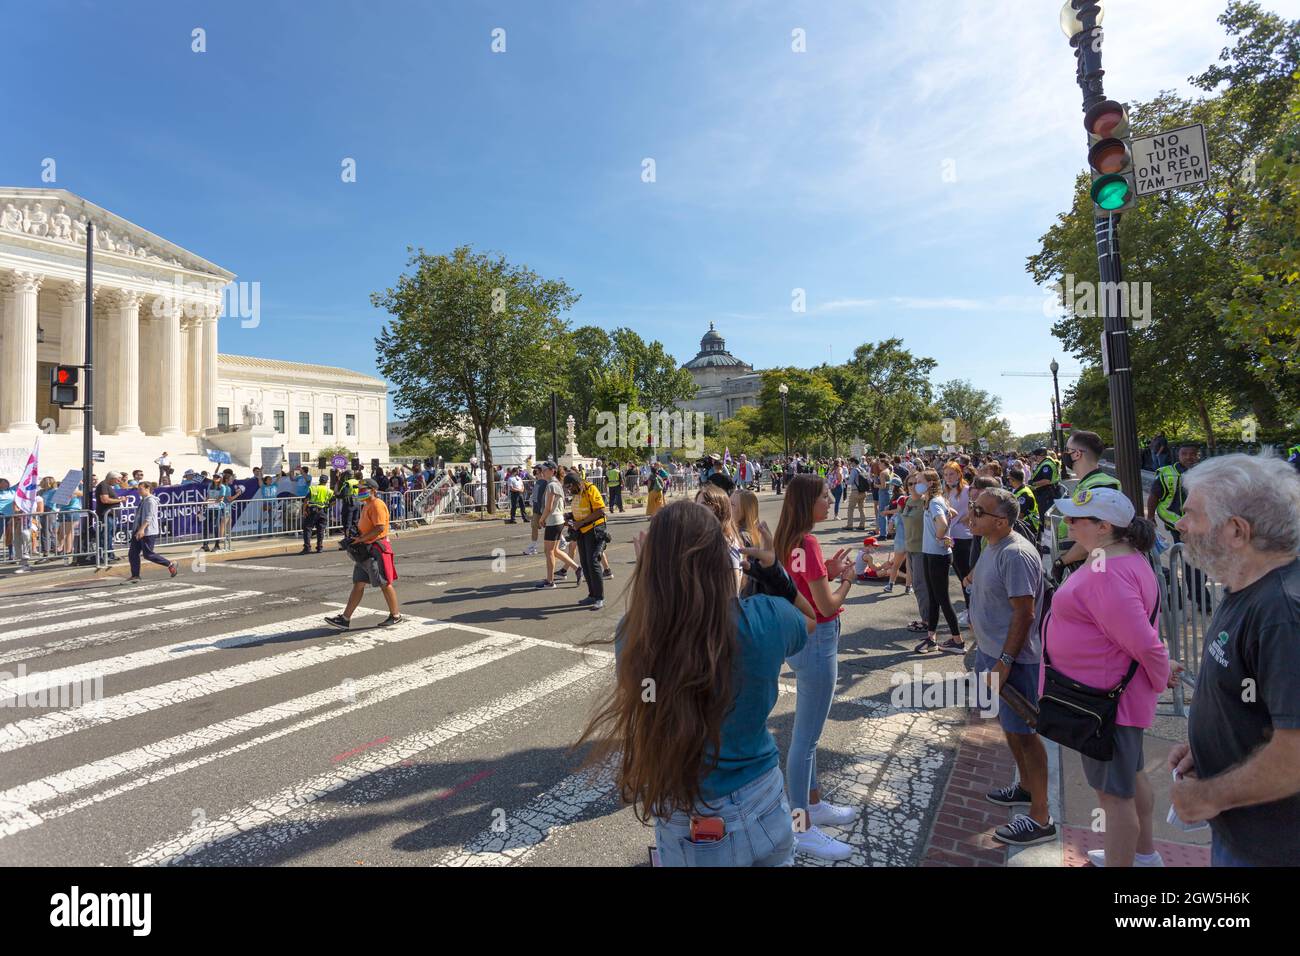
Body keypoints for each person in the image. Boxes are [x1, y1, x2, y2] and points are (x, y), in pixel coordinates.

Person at [576, 501, 812, 866]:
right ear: (721, 557)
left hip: (684, 808)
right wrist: (772, 569)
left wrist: (650, 578)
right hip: (759, 797)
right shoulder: (766, 618)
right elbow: (811, 618)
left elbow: (643, 690)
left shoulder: (635, 636)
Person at [1168, 454, 1300, 867]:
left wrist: (1207, 795)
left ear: (1237, 531)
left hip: (1271, 851)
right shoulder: (1246, 585)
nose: (1179, 524)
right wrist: (1209, 747)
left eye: (1190, 514)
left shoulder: (1283, 614)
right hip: (1241, 834)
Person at [1045, 487, 1169, 866]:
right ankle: (1144, 856)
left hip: (1105, 703)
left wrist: (1161, 674)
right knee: (1130, 778)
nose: (1067, 524)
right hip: (1112, 695)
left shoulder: (1108, 573)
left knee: (1114, 797)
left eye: (1075, 519)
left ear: (1103, 527)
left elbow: (1145, 644)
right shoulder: (1119, 559)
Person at [773, 474, 859, 861]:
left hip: (802, 639)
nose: (829, 501)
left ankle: (813, 803)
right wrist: (847, 581)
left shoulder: (790, 537)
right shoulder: (805, 539)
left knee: (805, 740)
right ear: (808, 502)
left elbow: (802, 579)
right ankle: (800, 825)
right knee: (805, 741)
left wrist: (826, 567)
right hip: (818, 638)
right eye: (824, 496)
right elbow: (826, 605)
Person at [963, 486, 1054, 847]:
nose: (971, 513)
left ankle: (1041, 817)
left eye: (979, 511)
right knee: (1011, 729)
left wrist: (1004, 662)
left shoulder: (1015, 554)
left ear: (1000, 521)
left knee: (1027, 735)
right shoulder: (993, 544)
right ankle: (1026, 789)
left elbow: (1025, 612)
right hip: (991, 655)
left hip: (1014, 661)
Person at [325, 479, 402, 629]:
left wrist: (361, 538)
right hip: (365, 550)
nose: (359, 492)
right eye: (359, 489)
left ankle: (396, 615)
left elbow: (379, 528)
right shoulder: (367, 505)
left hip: (375, 550)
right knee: (358, 584)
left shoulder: (377, 505)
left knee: (384, 583)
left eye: (362, 489)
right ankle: (345, 618)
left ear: (372, 490)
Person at [1051, 429, 1121, 576]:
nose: (1064, 454)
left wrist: (1063, 561)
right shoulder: (1090, 483)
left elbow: (1097, 537)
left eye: (1067, 450)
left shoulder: (1098, 487)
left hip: (1096, 568)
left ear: (1077, 454)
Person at [916, 469, 963, 654]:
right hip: (931, 553)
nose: (916, 484)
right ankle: (931, 638)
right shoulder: (933, 500)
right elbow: (952, 512)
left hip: (938, 555)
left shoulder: (935, 502)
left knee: (942, 598)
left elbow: (942, 523)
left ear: (929, 483)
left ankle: (958, 641)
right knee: (933, 598)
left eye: (919, 481)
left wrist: (940, 536)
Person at [563, 471, 608, 610]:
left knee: (593, 562)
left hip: (594, 530)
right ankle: (592, 595)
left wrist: (581, 522)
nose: (570, 491)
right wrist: (570, 516)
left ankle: (599, 598)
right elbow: (581, 510)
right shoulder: (577, 494)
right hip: (581, 531)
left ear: (577, 483)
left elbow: (600, 510)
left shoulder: (590, 489)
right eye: (568, 489)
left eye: (571, 488)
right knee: (585, 563)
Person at [535, 462, 580, 589]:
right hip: (558, 520)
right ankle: (577, 568)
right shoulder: (556, 484)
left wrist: (541, 519)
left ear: (552, 471)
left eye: (543, 470)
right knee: (554, 550)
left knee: (549, 551)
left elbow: (548, 507)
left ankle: (550, 581)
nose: (541, 472)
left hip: (553, 520)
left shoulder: (552, 486)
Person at [126, 481, 179, 582]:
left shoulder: (151, 501)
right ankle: (135, 575)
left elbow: (149, 517)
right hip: (138, 530)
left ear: (147, 489)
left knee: (148, 554)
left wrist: (142, 529)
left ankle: (170, 564)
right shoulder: (144, 500)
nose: (138, 491)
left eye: (140, 489)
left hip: (147, 531)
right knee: (133, 553)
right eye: (138, 489)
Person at [1147, 443, 1200, 541]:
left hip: (1200, 520)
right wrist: (1150, 517)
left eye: (1193, 454)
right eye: (1184, 454)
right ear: (1178, 456)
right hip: (1175, 518)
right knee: (1183, 548)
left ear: (1198, 455)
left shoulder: (1206, 472)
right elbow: (1154, 495)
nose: (1188, 457)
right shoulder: (1166, 473)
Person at [95, 471, 126, 563]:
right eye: (118, 479)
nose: (119, 481)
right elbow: (105, 500)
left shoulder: (107, 486)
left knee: (109, 536)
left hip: (110, 515)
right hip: (106, 515)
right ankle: (105, 555)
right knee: (105, 535)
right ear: (112, 478)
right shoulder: (103, 485)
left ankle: (110, 554)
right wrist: (119, 500)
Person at [301, 475, 333, 553]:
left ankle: (307, 548)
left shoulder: (314, 488)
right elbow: (333, 501)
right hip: (323, 512)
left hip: (313, 511)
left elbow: (306, 500)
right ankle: (319, 547)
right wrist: (327, 506)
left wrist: (304, 510)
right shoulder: (329, 491)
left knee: (308, 528)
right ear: (326, 481)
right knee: (321, 530)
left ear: (319, 480)